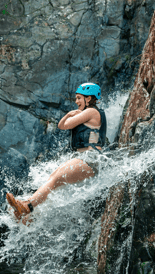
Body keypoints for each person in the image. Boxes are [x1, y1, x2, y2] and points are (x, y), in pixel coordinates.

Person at [6, 82, 107, 219]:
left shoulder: (91, 111)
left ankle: (27, 207)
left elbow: (66, 125)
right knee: (54, 180)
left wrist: (69, 116)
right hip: (88, 159)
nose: (76, 101)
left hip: (90, 158)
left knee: (54, 179)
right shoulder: (89, 112)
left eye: (79, 98)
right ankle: (29, 215)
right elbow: (62, 125)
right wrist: (70, 114)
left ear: (88, 98)